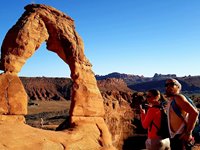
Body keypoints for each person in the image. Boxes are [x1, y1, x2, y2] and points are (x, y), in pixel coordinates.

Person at [165, 78, 199, 150]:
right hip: (175, 137)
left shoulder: (178, 97)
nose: (168, 86)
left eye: (171, 84)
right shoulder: (171, 100)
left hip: (181, 136)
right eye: (166, 85)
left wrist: (188, 133)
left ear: (178, 87)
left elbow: (194, 113)